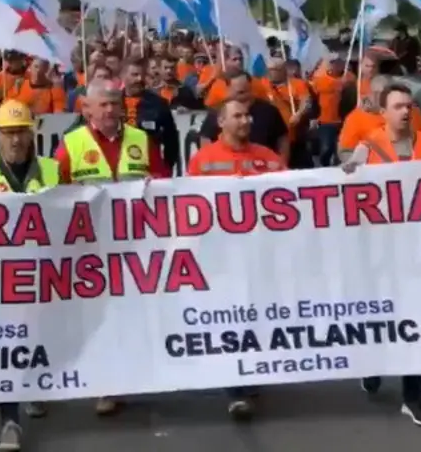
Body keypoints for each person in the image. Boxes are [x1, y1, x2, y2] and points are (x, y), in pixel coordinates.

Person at [55, 80, 168, 415]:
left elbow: (164, 180)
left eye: (114, 104)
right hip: (92, 247)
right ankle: (105, 384)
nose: (109, 110)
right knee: (99, 318)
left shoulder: (140, 140)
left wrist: (155, 185)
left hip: (136, 244)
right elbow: (55, 189)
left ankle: (130, 377)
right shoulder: (71, 144)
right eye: (102, 104)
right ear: (87, 108)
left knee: (132, 315)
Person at [342, 83, 421, 427]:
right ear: (383, 112)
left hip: (417, 251)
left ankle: (413, 396)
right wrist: (349, 171)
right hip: (377, 251)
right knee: (379, 312)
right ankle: (373, 367)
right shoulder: (368, 145)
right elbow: (348, 193)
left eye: (409, 105)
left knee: (415, 316)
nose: (406, 111)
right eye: (399, 106)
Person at [187, 97, 284, 420]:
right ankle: (236, 389)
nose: (246, 121)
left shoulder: (268, 158)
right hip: (221, 257)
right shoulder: (204, 160)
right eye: (238, 116)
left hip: (258, 255)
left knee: (256, 314)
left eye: (247, 116)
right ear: (221, 122)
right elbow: (190, 206)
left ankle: (251, 371)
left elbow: (291, 195)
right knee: (229, 316)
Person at [0, 99, 56, 448]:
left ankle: (35, 386)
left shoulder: (52, 169)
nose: (16, 140)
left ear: (32, 133)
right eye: (8, 133)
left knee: (38, 338)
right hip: (0, 275)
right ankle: (10, 420)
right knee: (6, 344)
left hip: (43, 273)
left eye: (21, 132)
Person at [337, 75, 421, 162]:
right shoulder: (356, 117)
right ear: (370, 94)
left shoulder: (412, 113)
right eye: (376, 93)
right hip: (376, 174)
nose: (380, 96)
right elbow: (345, 151)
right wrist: (363, 162)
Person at [198, 72, 289, 160]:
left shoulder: (269, 111)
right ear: (229, 90)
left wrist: (282, 163)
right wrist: (208, 162)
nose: (245, 96)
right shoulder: (218, 112)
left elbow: (282, 138)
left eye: (248, 91)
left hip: (263, 168)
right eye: (240, 92)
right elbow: (206, 138)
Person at [119, 59, 181, 174]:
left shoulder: (158, 104)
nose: (139, 79)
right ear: (123, 76)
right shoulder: (112, 102)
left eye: (142, 75)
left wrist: (167, 167)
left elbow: (171, 139)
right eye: (134, 75)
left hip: (150, 167)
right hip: (119, 167)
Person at [310, 54, 348, 166]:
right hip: (325, 121)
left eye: (337, 62)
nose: (334, 65)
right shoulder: (320, 80)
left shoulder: (350, 78)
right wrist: (313, 117)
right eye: (332, 62)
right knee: (326, 148)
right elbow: (313, 98)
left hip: (344, 121)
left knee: (341, 150)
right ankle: (324, 168)